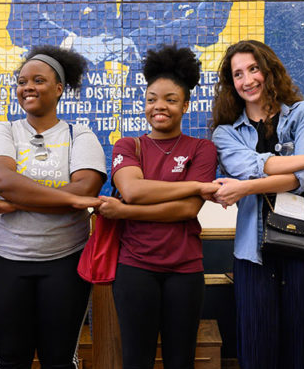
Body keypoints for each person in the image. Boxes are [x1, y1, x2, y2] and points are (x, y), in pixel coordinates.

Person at [209, 40, 304, 369]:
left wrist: (246, 188)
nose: (247, 80)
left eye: (253, 69)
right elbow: (257, 166)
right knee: (256, 346)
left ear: (269, 71)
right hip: (252, 248)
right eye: (238, 74)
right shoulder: (225, 133)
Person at [0, 45, 106, 368]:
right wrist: (70, 199)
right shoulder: (3, 131)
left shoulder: (81, 135)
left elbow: (86, 187)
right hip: (5, 263)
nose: (27, 87)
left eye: (38, 80)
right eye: (21, 81)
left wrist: (17, 201)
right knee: (9, 361)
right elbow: (1, 180)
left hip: (66, 264)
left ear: (59, 88)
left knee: (60, 361)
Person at [96, 44, 218, 368]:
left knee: (181, 361)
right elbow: (133, 190)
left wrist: (126, 212)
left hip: (185, 269)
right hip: (135, 267)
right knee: (137, 360)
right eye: (151, 99)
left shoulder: (203, 148)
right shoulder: (128, 145)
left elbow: (187, 210)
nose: (158, 106)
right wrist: (192, 185)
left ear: (186, 105)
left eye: (170, 99)